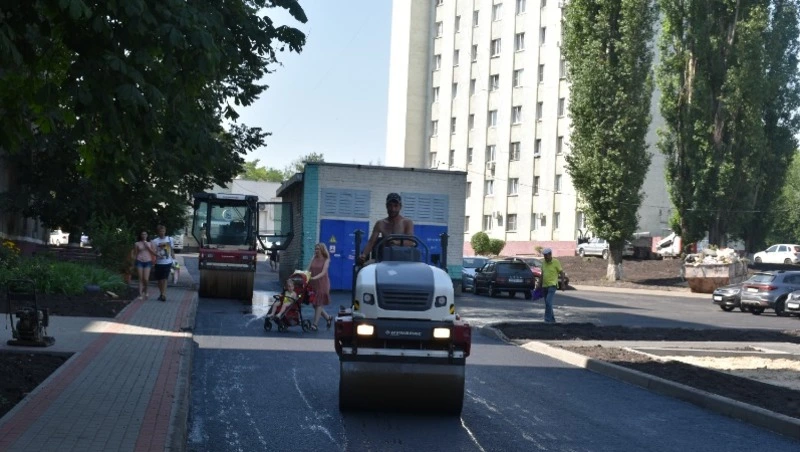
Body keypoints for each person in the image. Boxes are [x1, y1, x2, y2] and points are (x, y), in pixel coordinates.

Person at [358, 193, 414, 264]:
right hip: (383, 259)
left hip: (402, 260)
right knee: (366, 266)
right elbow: (371, 242)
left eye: (396, 206)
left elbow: (410, 242)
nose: (393, 209)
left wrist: (397, 243)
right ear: (386, 206)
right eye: (390, 205)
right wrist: (364, 255)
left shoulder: (407, 222)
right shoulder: (380, 223)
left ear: (400, 207)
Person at [307, 243, 333, 331]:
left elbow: (323, 272)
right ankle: (328, 318)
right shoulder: (313, 258)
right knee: (314, 305)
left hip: (322, 283)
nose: (316, 251)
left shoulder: (326, 259)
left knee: (319, 304)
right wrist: (305, 275)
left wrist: (314, 278)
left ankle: (315, 324)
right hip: (314, 284)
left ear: (322, 250)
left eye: (318, 249)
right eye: (315, 249)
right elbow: (308, 269)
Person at [151, 225, 176, 302]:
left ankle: (163, 295)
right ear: (158, 232)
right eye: (160, 231)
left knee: (165, 278)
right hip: (159, 262)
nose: (162, 232)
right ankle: (161, 293)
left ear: (165, 231)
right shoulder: (155, 241)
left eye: (163, 231)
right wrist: (157, 255)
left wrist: (174, 259)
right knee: (159, 280)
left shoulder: (170, 239)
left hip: (168, 262)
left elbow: (172, 250)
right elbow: (153, 251)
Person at [540, 248, 565, 323]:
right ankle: (553, 320)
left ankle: (547, 320)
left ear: (550, 255)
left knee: (548, 302)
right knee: (548, 304)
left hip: (552, 285)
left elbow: (561, 273)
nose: (545, 257)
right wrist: (539, 284)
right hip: (544, 286)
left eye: (546, 256)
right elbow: (542, 274)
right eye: (544, 256)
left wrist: (563, 284)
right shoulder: (543, 263)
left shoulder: (556, 262)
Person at [132, 231, 157, 300]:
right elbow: (135, 253)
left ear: (147, 235)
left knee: (146, 279)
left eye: (145, 234)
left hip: (148, 261)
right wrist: (133, 262)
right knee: (140, 278)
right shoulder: (137, 243)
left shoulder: (150, 243)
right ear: (140, 235)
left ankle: (146, 290)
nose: (144, 235)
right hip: (139, 261)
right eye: (142, 234)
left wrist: (148, 246)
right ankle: (140, 294)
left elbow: (153, 252)